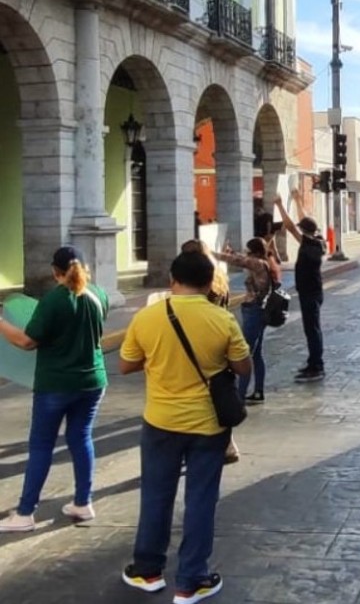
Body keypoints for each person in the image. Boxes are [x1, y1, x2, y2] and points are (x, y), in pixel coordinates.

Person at [119, 250, 250, 602]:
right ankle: (191, 580)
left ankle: (147, 570)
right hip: (208, 426)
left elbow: (126, 365)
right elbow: (243, 367)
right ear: (210, 283)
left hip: (160, 422)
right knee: (201, 499)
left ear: (172, 280)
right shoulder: (222, 319)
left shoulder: (147, 317)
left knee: (156, 496)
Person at [0, 247, 109, 532]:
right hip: (92, 382)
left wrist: (0, 323)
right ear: (84, 267)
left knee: (41, 446)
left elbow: (27, 342)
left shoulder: (53, 301)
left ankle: (25, 514)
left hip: (56, 385)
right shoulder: (99, 295)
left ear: (54, 271)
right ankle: (83, 503)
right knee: (81, 437)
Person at [181, 239, 240, 464]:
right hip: (220, 339)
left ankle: (192, 445)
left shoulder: (197, 281)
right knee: (220, 394)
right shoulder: (219, 276)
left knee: (197, 396)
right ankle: (228, 444)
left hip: (199, 341)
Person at [274, 191, 327, 383]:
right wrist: (297, 199)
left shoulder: (309, 242)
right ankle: (313, 362)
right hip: (314, 291)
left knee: (312, 330)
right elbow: (305, 220)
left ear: (304, 232)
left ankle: (317, 367)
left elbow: (289, 226)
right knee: (312, 329)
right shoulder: (318, 240)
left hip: (309, 293)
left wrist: (280, 205)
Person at [212, 238, 271, 402]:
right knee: (257, 354)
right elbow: (241, 259)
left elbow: (238, 261)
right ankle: (258, 391)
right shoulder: (261, 262)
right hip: (258, 310)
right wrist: (231, 252)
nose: (246, 254)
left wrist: (212, 253)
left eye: (248, 251)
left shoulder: (258, 263)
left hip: (254, 310)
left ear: (255, 252)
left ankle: (240, 394)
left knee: (244, 353)